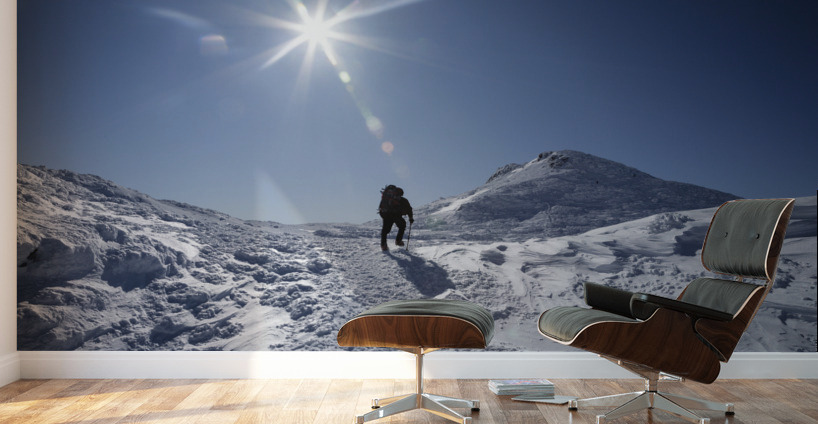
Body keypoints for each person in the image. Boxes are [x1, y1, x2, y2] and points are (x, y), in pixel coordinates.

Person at [378, 185, 414, 251]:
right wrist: (411, 218)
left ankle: (383, 245)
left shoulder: (386, 199)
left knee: (385, 230)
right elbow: (409, 209)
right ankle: (398, 241)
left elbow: (380, 208)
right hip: (396, 215)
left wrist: (383, 215)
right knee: (402, 225)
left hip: (386, 215)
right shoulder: (403, 200)